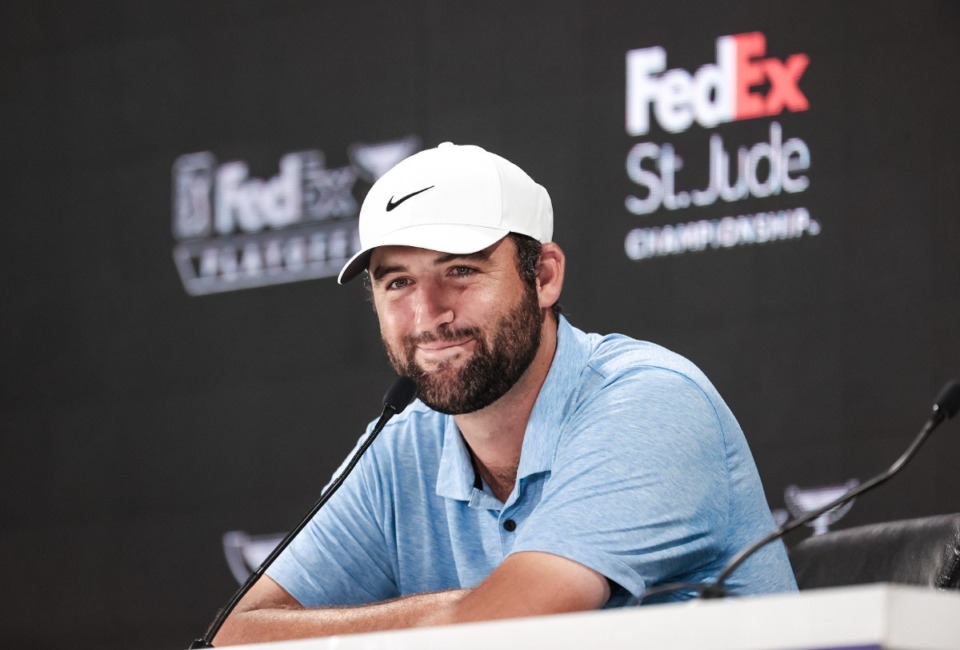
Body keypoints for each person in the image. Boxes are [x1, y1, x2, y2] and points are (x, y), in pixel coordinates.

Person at [213, 142, 797, 645]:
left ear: (543, 276)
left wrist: (465, 613)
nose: (428, 314)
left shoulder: (649, 402)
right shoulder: (400, 446)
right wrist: (457, 609)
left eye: (461, 270)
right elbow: (237, 635)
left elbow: (506, 632)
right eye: (398, 282)